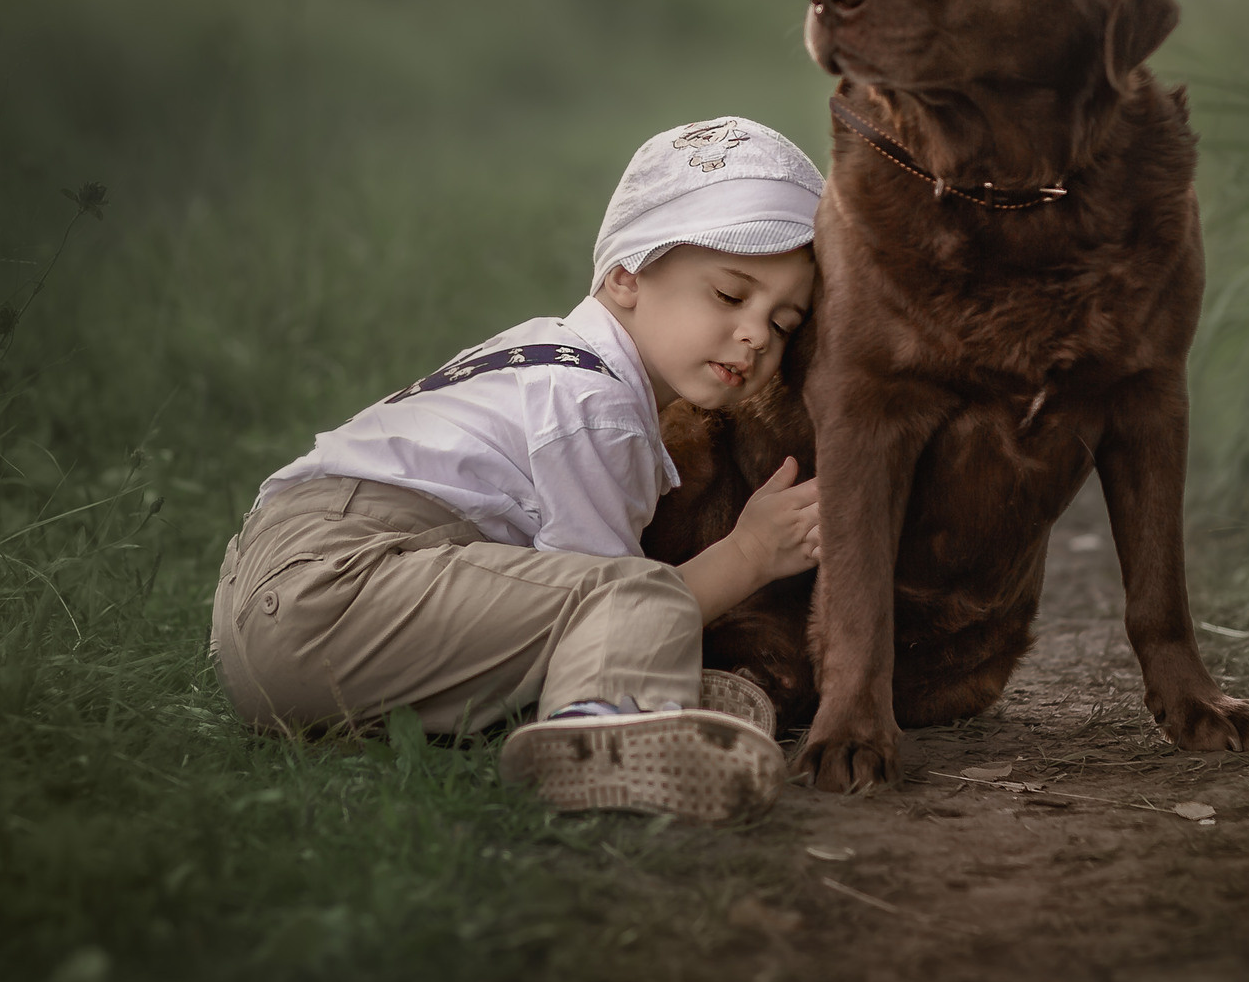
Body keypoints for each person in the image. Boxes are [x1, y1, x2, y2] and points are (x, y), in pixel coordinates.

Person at [210, 115, 823, 823]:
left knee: (566, 609)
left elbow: (540, 601)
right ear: (626, 274)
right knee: (633, 600)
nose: (755, 334)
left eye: (782, 324)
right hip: (337, 583)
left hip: (276, 604)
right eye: (729, 294)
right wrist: (750, 552)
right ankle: (604, 731)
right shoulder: (596, 403)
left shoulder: (548, 357)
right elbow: (612, 597)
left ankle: (599, 713)